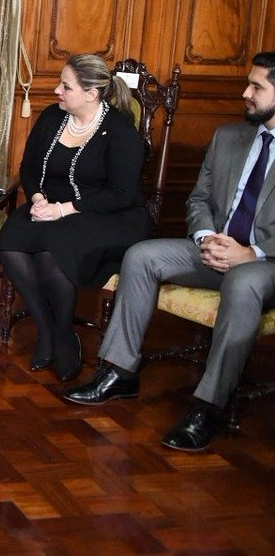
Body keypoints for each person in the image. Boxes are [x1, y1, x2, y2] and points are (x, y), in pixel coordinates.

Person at [64, 51, 275, 451]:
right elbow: (199, 200)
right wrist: (206, 237)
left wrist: (252, 254)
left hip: (265, 264)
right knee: (142, 256)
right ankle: (120, 372)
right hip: (215, 249)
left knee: (244, 283)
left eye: (256, 87)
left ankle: (209, 407)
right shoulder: (229, 137)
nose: (245, 93)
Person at [0, 54, 149, 381]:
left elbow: (120, 194)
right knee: (10, 243)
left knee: (53, 252)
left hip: (107, 214)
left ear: (91, 94)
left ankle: (63, 335)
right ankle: (50, 331)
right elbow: (29, 168)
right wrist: (38, 199)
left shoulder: (119, 130)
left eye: (66, 86)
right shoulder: (52, 117)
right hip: (50, 205)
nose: (57, 91)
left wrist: (63, 209)